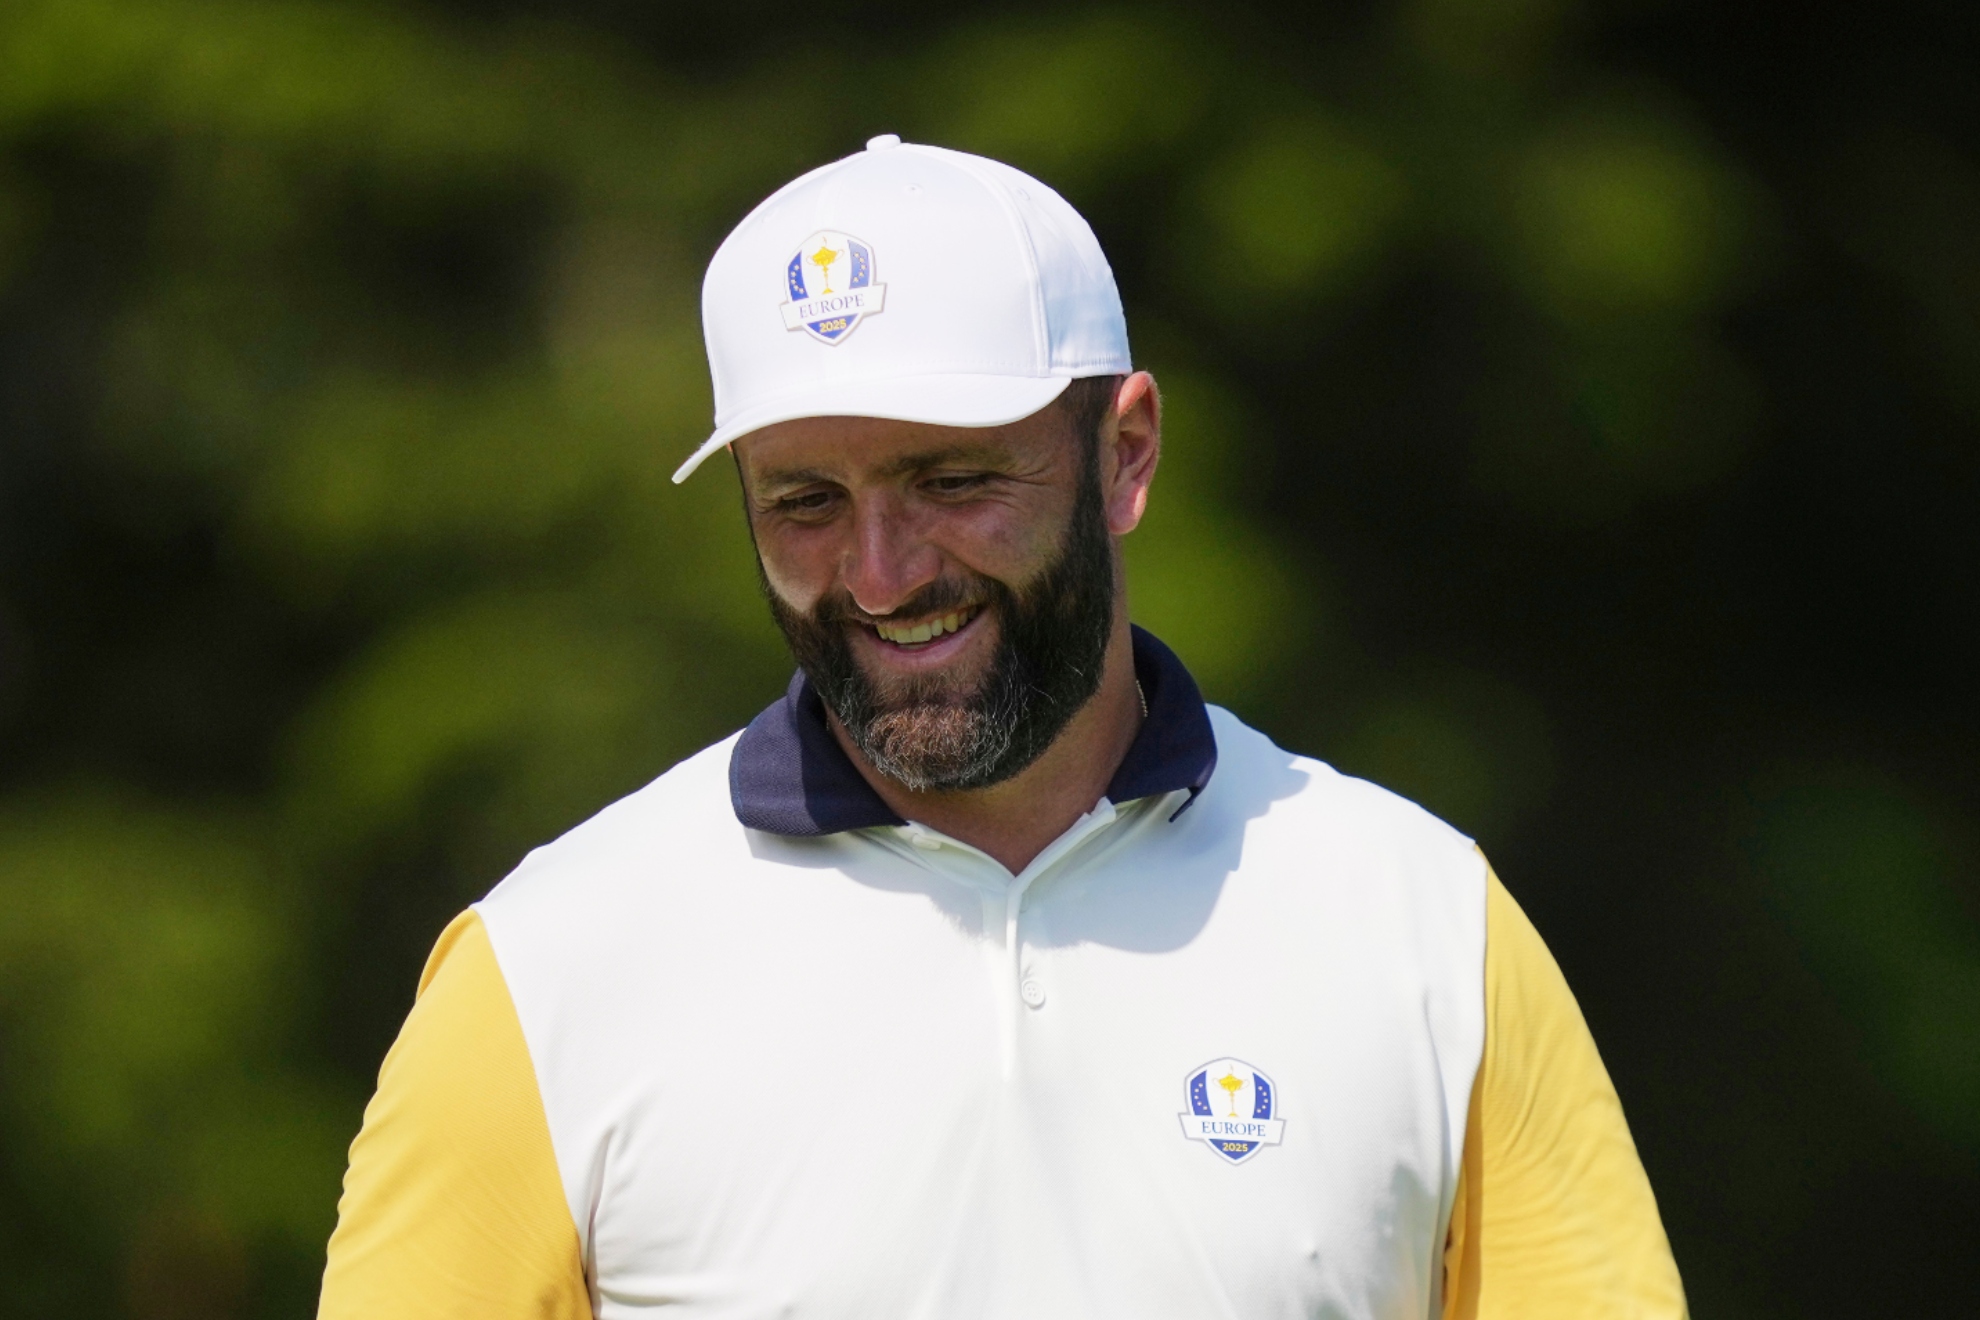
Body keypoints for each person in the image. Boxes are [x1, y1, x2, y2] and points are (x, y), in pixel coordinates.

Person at [317, 135, 1686, 1319]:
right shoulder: (547, 971)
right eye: (803, 502)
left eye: (954, 478)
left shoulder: (1427, 929)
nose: (881, 575)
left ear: (1125, 455)